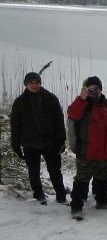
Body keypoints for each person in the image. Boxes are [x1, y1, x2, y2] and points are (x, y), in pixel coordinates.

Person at [67, 76, 107, 218]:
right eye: (90, 88)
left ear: (100, 89)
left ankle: (102, 201)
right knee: (82, 180)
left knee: (102, 177)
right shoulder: (82, 104)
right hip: (87, 151)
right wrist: (82, 98)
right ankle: (76, 207)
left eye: (96, 88)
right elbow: (72, 114)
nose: (94, 90)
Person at [10, 71, 67, 204]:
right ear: (26, 84)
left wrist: (61, 140)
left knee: (55, 171)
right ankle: (39, 195)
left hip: (50, 143)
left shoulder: (51, 98)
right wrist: (15, 145)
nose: (34, 85)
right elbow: (15, 125)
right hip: (30, 143)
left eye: (37, 82)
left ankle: (61, 195)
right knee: (33, 172)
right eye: (31, 83)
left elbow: (59, 120)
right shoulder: (19, 102)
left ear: (40, 83)